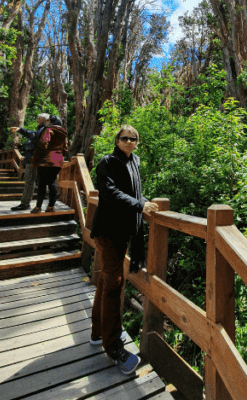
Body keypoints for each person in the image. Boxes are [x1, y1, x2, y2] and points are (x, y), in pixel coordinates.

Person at [90, 125, 157, 375]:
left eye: (134, 139)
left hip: (123, 233)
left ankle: (98, 333)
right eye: (124, 138)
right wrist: (140, 205)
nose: (129, 142)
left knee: (106, 282)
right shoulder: (107, 161)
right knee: (114, 284)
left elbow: (133, 191)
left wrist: (144, 201)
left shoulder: (134, 161)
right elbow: (109, 193)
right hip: (109, 233)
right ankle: (114, 346)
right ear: (117, 141)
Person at [9, 113, 50, 211]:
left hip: (34, 161)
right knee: (33, 181)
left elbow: (35, 136)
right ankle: (48, 198)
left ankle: (25, 204)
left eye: (39, 118)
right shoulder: (41, 130)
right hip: (33, 160)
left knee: (30, 182)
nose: (37, 120)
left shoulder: (43, 130)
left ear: (45, 120)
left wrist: (20, 130)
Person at [30, 116, 67, 213]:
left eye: (48, 120)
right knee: (52, 182)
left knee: (42, 184)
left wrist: (37, 157)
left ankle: (38, 207)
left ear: (51, 122)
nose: (46, 122)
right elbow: (65, 148)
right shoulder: (63, 133)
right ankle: (51, 207)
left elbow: (43, 143)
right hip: (57, 161)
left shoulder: (49, 129)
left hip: (46, 161)